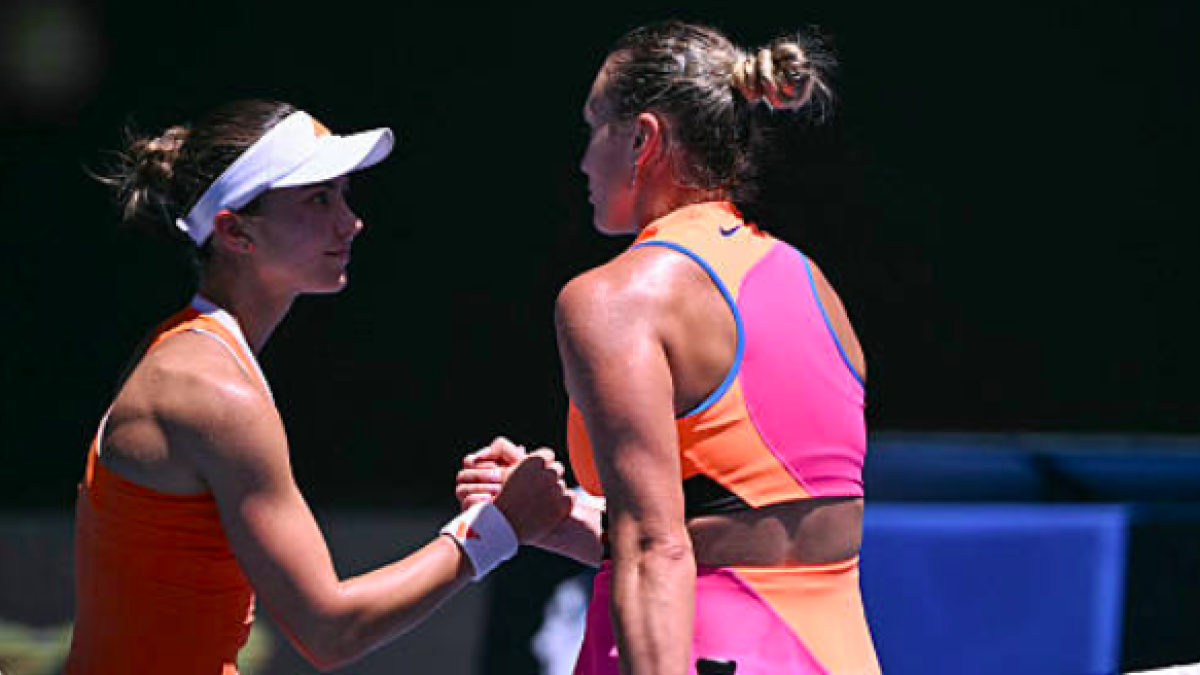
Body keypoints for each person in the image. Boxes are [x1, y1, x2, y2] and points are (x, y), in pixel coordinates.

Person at [67, 99, 572, 674]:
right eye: (318, 199)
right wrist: (497, 529)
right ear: (235, 232)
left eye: (342, 196)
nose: (350, 222)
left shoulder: (191, 354)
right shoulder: (209, 391)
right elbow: (331, 631)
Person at [458, 20, 879, 675]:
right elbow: (749, 525)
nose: (583, 161)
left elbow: (657, 548)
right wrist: (564, 514)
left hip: (695, 647)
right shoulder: (815, 285)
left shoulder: (613, 298)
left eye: (593, 127)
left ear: (642, 139)